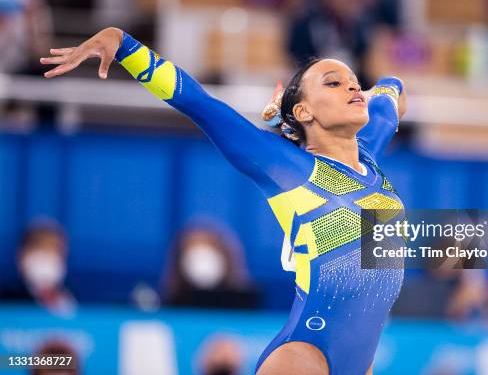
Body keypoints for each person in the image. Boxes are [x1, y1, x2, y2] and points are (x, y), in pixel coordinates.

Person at [41, 26, 407, 375]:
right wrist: (123, 45)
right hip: (306, 354)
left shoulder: (370, 153)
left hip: (361, 361)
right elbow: (198, 102)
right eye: (333, 82)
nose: (351, 87)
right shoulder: (283, 164)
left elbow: (393, 88)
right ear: (303, 112)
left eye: (354, 83)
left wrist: (377, 91)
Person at [163, 217, 260, 309]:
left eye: (209, 248)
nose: (202, 261)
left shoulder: (246, 302)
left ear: (225, 256)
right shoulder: (170, 302)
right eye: (195, 251)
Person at [1, 218, 76, 315]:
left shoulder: (76, 301)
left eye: (52, 251)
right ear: (21, 257)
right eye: (37, 250)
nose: (44, 259)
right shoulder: (7, 300)